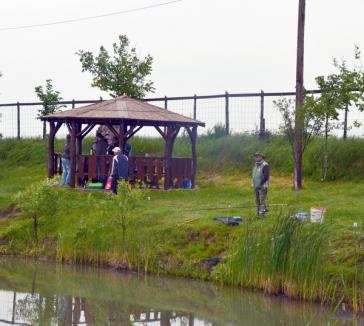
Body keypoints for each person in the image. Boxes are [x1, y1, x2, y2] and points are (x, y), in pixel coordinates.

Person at [252, 152, 270, 217]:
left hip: (262, 186)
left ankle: (262, 214)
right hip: (256, 186)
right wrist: (253, 183)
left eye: (257, 156)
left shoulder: (265, 165)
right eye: (255, 156)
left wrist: (260, 183)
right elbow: (254, 175)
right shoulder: (256, 165)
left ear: (261, 157)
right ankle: (258, 213)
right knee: (257, 200)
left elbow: (266, 176)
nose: (256, 158)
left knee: (262, 199)